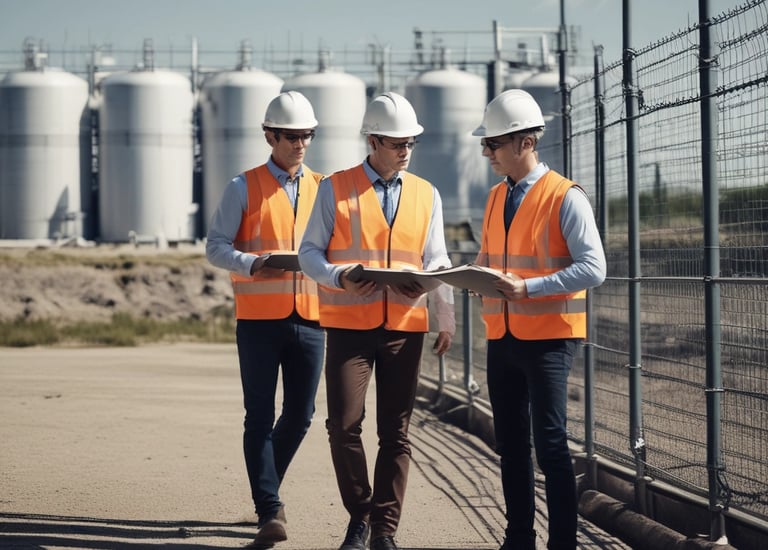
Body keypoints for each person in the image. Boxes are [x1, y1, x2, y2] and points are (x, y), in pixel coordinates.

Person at [298, 91, 455, 550]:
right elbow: (310, 252)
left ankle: (384, 530)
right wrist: (338, 277)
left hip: (405, 326)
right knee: (343, 425)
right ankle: (361, 513)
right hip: (348, 325)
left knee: (396, 431)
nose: (405, 151)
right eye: (396, 143)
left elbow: (437, 258)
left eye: (411, 143)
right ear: (373, 140)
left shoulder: (427, 193)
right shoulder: (335, 187)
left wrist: (441, 310)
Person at [472, 89, 607, 550]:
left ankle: (562, 544)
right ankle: (518, 540)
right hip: (503, 336)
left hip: (550, 338)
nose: (487, 152)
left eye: (493, 144)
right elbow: (489, 258)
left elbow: (594, 267)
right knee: (510, 446)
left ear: (524, 142)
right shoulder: (495, 197)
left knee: (550, 446)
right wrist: (466, 276)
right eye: (486, 144)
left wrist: (528, 288)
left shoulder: (565, 196)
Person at [205, 90, 325, 549]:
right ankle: (270, 508)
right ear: (269, 135)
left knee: (302, 414)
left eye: (307, 135)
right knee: (259, 415)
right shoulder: (243, 186)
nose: (300, 144)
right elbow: (216, 246)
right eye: (292, 136)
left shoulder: (324, 187)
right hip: (258, 319)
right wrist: (255, 264)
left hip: (311, 317)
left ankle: (265, 487)